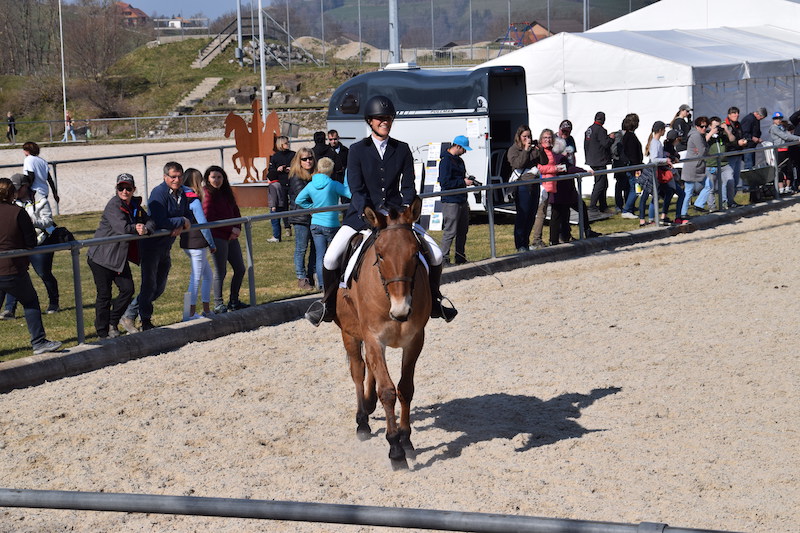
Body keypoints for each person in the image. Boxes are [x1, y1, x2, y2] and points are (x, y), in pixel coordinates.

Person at [304, 95, 456, 326]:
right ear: (370, 121)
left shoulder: (401, 149)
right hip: (362, 215)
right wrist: (369, 213)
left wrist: (406, 211)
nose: (385, 122)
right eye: (380, 118)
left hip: (396, 216)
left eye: (388, 118)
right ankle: (328, 305)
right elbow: (356, 188)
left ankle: (435, 300)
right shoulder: (357, 150)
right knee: (331, 257)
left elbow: (408, 186)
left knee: (434, 254)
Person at [120, 162, 191, 332]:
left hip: (166, 246)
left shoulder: (183, 192)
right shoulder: (158, 193)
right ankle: (141, 319)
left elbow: (189, 215)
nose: (176, 180)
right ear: (165, 177)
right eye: (173, 177)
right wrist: (181, 221)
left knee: (158, 288)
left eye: (179, 176)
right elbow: (160, 220)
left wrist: (182, 222)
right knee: (149, 285)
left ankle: (132, 314)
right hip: (151, 245)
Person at [86, 173, 155, 339]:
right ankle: (102, 333)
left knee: (128, 289)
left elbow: (150, 221)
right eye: (121, 188)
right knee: (104, 295)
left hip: (118, 258)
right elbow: (122, 228)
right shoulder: (113, 205)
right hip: (101, 257)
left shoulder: (135, 205)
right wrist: (137, 228)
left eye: (128, 188)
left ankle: (113, 321)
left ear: (134, 189)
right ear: (116, 189)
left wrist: (146, 228)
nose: (124, 191)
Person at [0, 177, 61, 354]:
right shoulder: (18, 213)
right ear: (12, 194)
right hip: (13, 268)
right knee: (30, 302)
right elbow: (31, 242)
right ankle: (39, 342)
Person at [294, 157, 351, 290]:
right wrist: (346, 179)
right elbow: (349, 194)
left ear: (318, 169)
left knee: (320, 256)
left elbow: (299, 200)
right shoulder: (333, 184)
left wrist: (311, 208)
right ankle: (338, 282)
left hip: (315, 224)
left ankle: (322, 285)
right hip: (332, 224)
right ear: (331, 170)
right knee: (338, 254)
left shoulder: (311, 185)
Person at [202, 165, 248, 314]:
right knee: (220, 271)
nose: (216, 180)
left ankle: (234, 301)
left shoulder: (227, 192)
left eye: (219, 177)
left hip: (231, 236)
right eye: (213, 177)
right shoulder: (207, 194)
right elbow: (209, 218)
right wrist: (230, 229)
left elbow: (236, 212)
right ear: (207, 179)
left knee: (240, 268)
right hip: (217, 236)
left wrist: (237, 228)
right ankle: (218, 303)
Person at [538, 131, 598, 244]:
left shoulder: (557, 156)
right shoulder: (555, 156)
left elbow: (568, 167)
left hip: (564, 189)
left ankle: (563, 237)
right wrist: (584, 171)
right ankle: (555, 240)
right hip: (559, 188)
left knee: (563, 213)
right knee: (558, 214)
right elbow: (568, 168)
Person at [179, 168, 217, 319]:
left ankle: (206, 309)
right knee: (195, 278)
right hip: (196, 243)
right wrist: (211, 243)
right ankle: (189, 313)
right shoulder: (193, 200)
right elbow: (203, 224)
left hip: (187, 241)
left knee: (208, 275)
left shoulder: (181, 198)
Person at [437, 135, 475, 265]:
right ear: (457, 146)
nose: (465, 152)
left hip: (462, 199)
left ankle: (460, 257)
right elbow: (445, 183)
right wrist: (463, 182)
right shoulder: (445, 162)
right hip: (450, 201)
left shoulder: (459, 161)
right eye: (464, 149)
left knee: (462, 231)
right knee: (450, 231)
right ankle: (443, 259)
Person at [506, 125, 544, 252]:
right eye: (524, 136)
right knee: (523, 215)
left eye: (529, 136)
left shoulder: (533, 148)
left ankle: (526, 242)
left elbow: (544, 161)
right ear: (519, 137)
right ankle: (520, 244)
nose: (527, 139)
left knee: (531, 215)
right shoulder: (513, 150)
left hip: (534, 184)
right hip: (522, 185)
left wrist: (541, 150)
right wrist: (526, 150)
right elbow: (518, 164)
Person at [287, 148, 317, 290]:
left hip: (314, 216)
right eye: (304, 159)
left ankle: (313, 274)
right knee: (301, 248)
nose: (308, 161)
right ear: (299, 161)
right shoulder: (296, 176)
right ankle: (301, 277)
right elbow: (303, 196)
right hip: (301, 217)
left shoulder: (315, 175)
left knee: (315, 247)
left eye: (310, 158)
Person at [695, 116, 737, 211]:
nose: (717, 129)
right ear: (710, 126)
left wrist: (726, 130)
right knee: (711, 187)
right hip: (710, 164)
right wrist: (711, 133)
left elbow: (732, 140)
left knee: (730, 181)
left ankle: (728, 202)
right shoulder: (705, 134)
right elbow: (702, 143)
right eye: (715, 126)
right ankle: (712, 206)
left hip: (724, 164)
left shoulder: (722, 135)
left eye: (718, 126)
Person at [641, 121, 677, 226]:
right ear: (660, 130)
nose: (665, 131)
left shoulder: (656, 142)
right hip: (651, 172)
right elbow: (654, 159)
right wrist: (666, 160)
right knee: (646, 195)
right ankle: (644, 219)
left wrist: (667, 156)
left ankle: (655, 217)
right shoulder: (655, 142)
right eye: (664, 129)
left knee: (660, 193)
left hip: (655, 171)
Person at [584, 111, 615, 213]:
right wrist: (611, 139)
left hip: (592, 159)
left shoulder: (589, 129)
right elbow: (605, 144)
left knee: (603, 183)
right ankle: (593, 206)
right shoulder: (601, 130)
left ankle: (603, 205)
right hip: (599, 160)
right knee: (600, 184)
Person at [680, 116, 710, 218]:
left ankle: (698, 204)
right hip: (692, 167)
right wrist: (703, 149)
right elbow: (703, 152)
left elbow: (704, 150)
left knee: (708, 185)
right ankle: (683, 213)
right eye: (702, 126)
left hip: (698, 167)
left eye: (706, 126)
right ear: (697, 126)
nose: (704, 128)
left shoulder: (700, 135)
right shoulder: (696, 136)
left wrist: (703, 149)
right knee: (688, 192)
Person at [265, 135, 293, 240]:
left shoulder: (293, 154)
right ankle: (287, 227)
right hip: (280, 185)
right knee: (283, 206)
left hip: (292, 182)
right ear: (280, 144)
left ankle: (291, 225)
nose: (288, 144)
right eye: (286, 143)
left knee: (294, 204)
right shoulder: (275, 157)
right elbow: (270, 173)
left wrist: (292, 168)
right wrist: (278, 169)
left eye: (288, 142)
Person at [769, 112, 800, 194]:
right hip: (779, 151)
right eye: (776, 119)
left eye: (780, 118)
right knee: (780, 169)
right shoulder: (774, 128)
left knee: (789, 168)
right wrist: (798, 138)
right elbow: (785, 136)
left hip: (786, 150)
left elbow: (787, 135)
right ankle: (781, 188)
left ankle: (787, 187)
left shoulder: (782, 127)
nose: (778, 120)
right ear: (773, 120)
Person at [620, 113, 644, 218]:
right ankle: (627, 209)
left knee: (634, 188)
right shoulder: (630, 137)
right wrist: (637, 167)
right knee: (636, 189)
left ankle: (629, 208)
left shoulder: (627, 136)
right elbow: (633, 154)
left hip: (632, 166)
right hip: (634, 167)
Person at [723, 107, 747, 193]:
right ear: (729, 115)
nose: (736, 115)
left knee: (736, 179)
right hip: (729, 154)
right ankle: (725, 199)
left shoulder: (738, 124)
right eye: (734, 113)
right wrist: (738, 143)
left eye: (737, 113)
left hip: (738, 153)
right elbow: (725, 142)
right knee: (729, 179)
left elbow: (741, 136)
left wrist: (744, 141)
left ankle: (732, 198)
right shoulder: (725, 125)